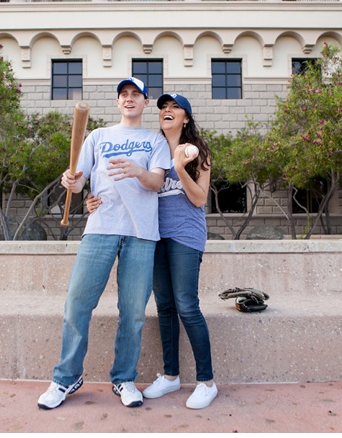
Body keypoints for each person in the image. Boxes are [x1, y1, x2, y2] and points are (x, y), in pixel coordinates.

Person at [37, 77, 171, 410]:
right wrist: (71, 180)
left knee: (133, 313)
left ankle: (124, 378)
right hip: (100, 228)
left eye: (135, 95)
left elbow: (156, 182)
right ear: (117, 102)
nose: (129, 99)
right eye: (124, 95)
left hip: (141, 233)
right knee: (77, 304)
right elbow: (80, 182)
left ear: (144, 102)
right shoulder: (97, 136)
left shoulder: (155, 140)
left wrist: (137, 170)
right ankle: (66, 378)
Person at [86, 93, 218, 409]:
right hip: (152, 235)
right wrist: (92, 200)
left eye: (175, 108)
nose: (167, 111)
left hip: (185, 235)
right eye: (163, 108)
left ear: (186, 117)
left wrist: (180, 168)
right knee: (165, 307)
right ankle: (171, 376)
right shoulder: (150, 148)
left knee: (187, 304)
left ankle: (207, 381)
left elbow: (199, 199)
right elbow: (127, 183)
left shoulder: (197, 153)